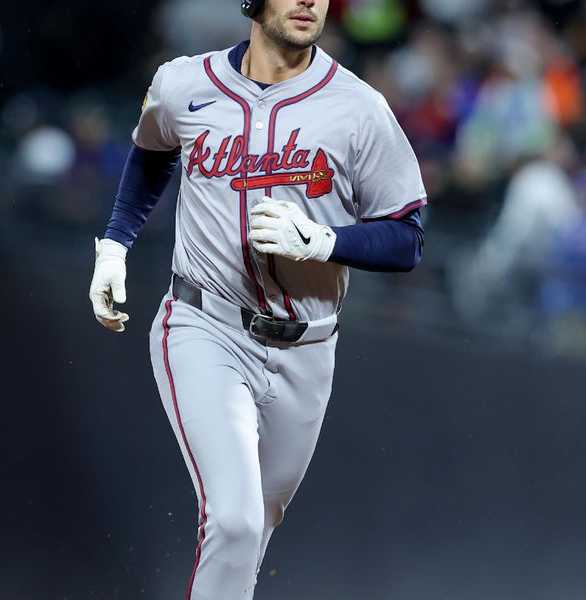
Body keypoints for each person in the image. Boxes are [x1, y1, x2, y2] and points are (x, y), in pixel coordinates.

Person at [89, 0, 427, 597]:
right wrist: (115, 245)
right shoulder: (184, 84)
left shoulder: (359, 108)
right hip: (204, 325)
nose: (308, 2)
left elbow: (407, 236)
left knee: (254, 530)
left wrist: (326, 241)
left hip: (308, 349)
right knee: (235, 521)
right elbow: (151, 153)